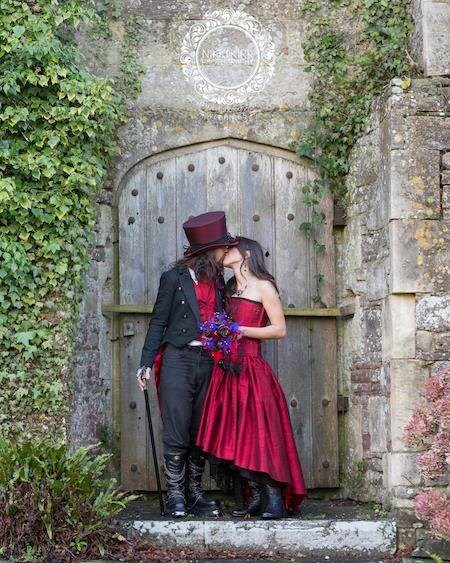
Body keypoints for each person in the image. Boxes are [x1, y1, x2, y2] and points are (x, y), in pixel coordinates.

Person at [196, 236, 308, 519]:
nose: (224, 252)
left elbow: (279, 329)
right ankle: (255, 497)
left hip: (251, 369)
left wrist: (239, 330)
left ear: (245, 254)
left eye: (230, 248)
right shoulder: (230, 287)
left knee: (260, 433)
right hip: (227, 370)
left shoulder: (263, 287)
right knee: (234, 433)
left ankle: (274, 500)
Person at [136, 211, 239, 518]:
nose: (225, 254)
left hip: (209, 361)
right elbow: (158, 322)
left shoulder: (219, 281)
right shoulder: (173, 279)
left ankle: (194, 494)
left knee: (201, 427)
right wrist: (145, 362)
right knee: (177, 427)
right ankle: (176, 495)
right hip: (178, 359)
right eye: (222, 249)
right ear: (208, 253)